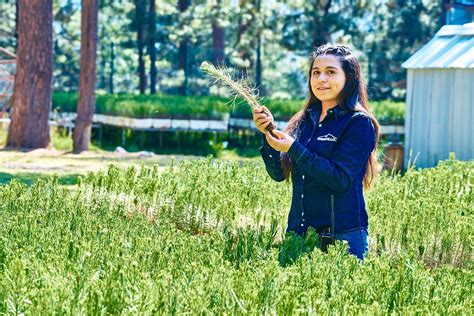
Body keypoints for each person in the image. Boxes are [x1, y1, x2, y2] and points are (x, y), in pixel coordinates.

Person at [253, 44, 380, 260]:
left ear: (349, 78)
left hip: (342, 239)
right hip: (298, 236)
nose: (321, 79)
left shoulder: (359, 123)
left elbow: (340, 178)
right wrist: (268, 136)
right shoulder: (304, 120)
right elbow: (279, 174)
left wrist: (293, 148)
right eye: (316, 72)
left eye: (331, 72)